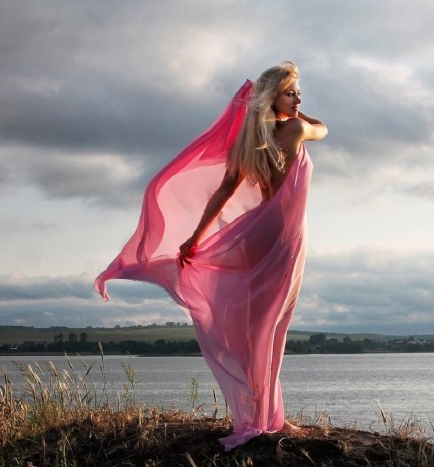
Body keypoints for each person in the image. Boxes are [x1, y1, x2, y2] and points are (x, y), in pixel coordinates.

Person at [94, 61, 327, 450]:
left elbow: (224, 192)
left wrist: (194, 238)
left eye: (299, 93)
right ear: (272, 98)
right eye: (290, 93)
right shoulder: (296, 130)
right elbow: (323, 128)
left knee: (254, 328)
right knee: (273, 327)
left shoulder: (249, 142)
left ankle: (258, 415)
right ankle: (267, 418)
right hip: (284, 237)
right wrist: (295, 114)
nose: (298, 100)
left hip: (255, 233)